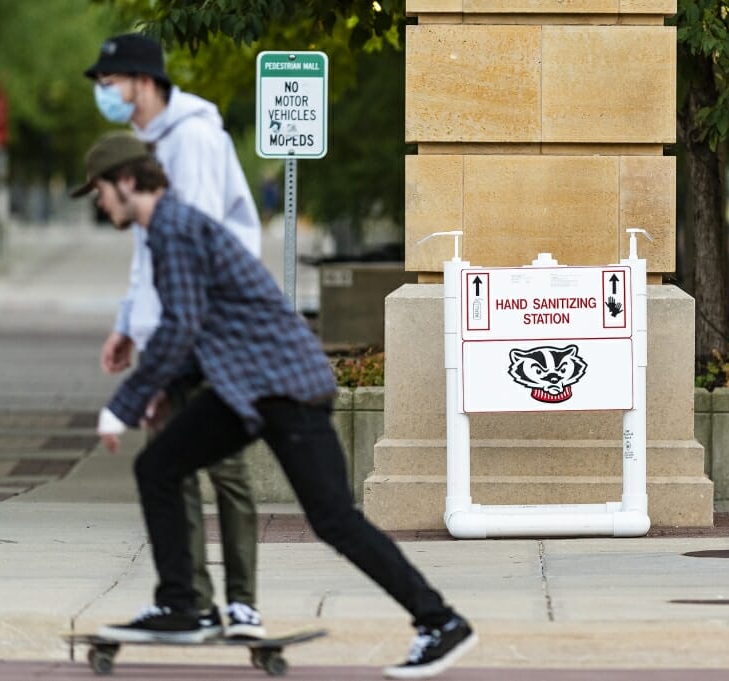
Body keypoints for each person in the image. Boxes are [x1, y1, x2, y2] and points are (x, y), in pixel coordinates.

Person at [72, 133, 477, 679]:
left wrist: (124, 403)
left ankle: (440, 622)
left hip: (285, 390)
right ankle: (182, 605)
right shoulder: (172, 228)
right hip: (249, 390)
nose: (99, 204)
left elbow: (180, 326)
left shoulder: (174, 229)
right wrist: (164, 394)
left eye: (99, 191)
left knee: (334, 519)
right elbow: (207, 328)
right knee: (159, 465)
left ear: (125, 181)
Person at [83, 32, 263, 639]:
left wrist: (174, 346)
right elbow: (148, 250)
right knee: (173, 465)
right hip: (175, 327)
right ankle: (191, 601)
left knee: (226, 468)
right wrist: (128, 324)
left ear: (142, 80)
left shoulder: (194, 137)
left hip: (214, 324)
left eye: (110, 84)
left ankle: (242, 603)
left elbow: (199, 244)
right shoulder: (150, 144)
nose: (105, 95)